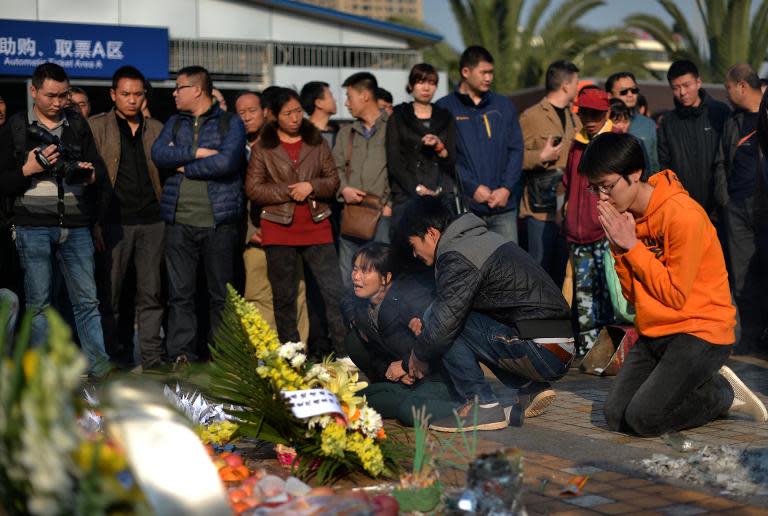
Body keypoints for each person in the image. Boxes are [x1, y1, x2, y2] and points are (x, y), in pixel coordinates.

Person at [580, 132, 766, 436]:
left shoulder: (683, 215)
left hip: (702, 331)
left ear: (635, 173)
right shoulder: (627, 221)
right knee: (615, 416)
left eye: (607, 186)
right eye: (595, 188)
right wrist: (619, 248)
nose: (602, 197)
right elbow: (631, 296)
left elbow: (675, 295)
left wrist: (632, 247)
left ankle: (722, 393)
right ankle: (696, 384)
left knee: (643, 418)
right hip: (657, 330)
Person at [400, 197, 573, 432]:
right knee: (446, 316)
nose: (413, 254)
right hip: (558, 345)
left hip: (544, 348)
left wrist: (417, 355)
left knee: (442, 322)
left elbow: (444, 325)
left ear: (431, 233)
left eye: (413, 245)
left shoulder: (457, 253)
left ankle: (480, 404)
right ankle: (530, 386)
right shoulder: (476, 240)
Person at [0, 63, 112, 377]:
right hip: (31, 227)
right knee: (39, 303)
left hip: (76, 228)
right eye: (51, 95)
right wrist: (28, 170)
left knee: (87, 301)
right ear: (33, 91)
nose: (58, 102)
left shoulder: (77, 124)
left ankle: (99, 368)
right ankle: (41, 373)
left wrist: (90, 176)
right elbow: (3, 181)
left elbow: (100, 173)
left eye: (64, 95)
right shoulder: (16, 127)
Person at [151, 65, 245, 367]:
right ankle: (181, 354)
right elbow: (159, 154)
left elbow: (228, 162)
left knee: (221, 295)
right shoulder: (175, 123)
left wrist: (185, 166)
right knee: (180, 294)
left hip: (218, 221)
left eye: (179, 87)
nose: (174, 93)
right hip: (179, 221)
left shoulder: (229, 122)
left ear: (197, 90)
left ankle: (224, 356)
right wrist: (197, 151)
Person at [246, 88, 347, 357]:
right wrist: (291, 190)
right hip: (278, 229)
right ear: (275, 116)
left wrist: (310, 186)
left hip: (317, 225)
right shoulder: (263, 148)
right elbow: (254, 189)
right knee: (284, 298)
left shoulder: (317, 141)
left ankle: (345, 356)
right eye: (287, 113)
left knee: (333, 293)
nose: (294, 118)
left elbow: (333, 181)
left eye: (297, 112)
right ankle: (293, 359)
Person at [88, 65, 166, 370]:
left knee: (152, 294)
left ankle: (152, 358)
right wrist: (94, 223)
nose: (132, 100)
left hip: (153, 221)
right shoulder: (97, 128)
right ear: (113, 94)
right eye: (125, 94)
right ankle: (114, 356)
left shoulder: (157, 129)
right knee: (111, 295)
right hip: (113, 222)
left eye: (137, 94)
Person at [343, 242, 459, 426]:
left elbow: (441, 344)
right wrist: (393, 371)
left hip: (439, 376)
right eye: (355, 269)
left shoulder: (410, 300)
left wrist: (406, 366)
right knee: (355, 400)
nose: (356, 276)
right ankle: (401, 393)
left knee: (407, 412)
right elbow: (346, 298)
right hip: (407, 376)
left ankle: (469, 407)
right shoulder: (364, 303)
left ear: (386, 278)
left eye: (365, 271)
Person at [237, 90, 310, 343]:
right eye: (240, 112)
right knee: (257, 296)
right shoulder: (233, 147)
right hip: (254, 236)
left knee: (295, 292)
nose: (246, 117)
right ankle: (265, 361)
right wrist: (249, 232)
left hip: (289, 233)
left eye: (252, 111)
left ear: (267, 112)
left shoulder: (288, 145)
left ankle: (299, 359)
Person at [436, 46, 524, 243]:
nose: (489, 78)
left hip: (504, 208)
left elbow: (516, 150)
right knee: (471, 269)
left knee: (508, 269)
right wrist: (472, 187)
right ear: (465, 72)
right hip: (466, 209)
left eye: (491, 72)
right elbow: (445, 157)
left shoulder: (503, 106)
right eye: (483, 72)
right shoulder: (444, 108)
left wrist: (506, 188)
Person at [716, 64, 766, 353]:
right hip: (735, 208)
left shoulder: (765, 115)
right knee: (742, 276)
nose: (727, 94)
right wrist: (724, 198)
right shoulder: (733, 121)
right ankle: (749, 340)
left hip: (764, 206)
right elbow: (721, 161)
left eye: (729, 88)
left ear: (742, 86)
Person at [563, 88, 616, 353]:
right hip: (577, 235)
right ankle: (588, 355)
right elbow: (569, 183)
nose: (590, 118)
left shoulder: (617, 140)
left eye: (595, 112)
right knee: (584, 298)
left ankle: (612, 354)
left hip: (607, 233)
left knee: (610, 296)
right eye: (584, 112)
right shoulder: (576, 144)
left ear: (606, 112)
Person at [519, 60, 580, 283]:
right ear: (565, 85)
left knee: (563, 267)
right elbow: (514, 158)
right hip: (540, 208)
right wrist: (540, 157)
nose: (577, 87)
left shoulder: (575, 117)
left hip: (566, 205)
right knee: (539, 265)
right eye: (575, 82)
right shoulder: (531, 116)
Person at [333, 72, 392, 291]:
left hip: (382, 215)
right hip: (352, 214)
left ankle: (381, 324)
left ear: (365, 95)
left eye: (349, 96)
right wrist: (344, 189)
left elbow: (400, 170)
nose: (347, 103)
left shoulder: (392, 128)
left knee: (381, 276)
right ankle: (352, 324)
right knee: (350, 278)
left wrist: (390, 205)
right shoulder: (345, 133)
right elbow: (334, 169)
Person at [386, 63, 457, 226]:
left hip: (440, 196)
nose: (426, 88)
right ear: (411, 85)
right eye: (421, 82)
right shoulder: (398, 116)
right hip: (407, 196)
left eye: (432, 83)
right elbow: (394, 161)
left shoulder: (445, 117)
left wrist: (439, 147)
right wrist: (417, 188)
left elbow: (452, 159)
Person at [658, 60, 730, 214]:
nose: (682, 92)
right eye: (676, 88)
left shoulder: (720, 113)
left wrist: (724, 198)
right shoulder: (668, 122)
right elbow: (663, 165)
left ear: (698, 82)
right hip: (683, 208)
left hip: (719, 208)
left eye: (686, 85)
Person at [606, 72, 659, 173]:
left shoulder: (648, 124)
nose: (630, 94)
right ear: (609, 95)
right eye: (624, 92)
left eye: (634, 90)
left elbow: (655, 162)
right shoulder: (601, 123)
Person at [300, 81, 339, 148]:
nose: (335, 100)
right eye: (330, 96)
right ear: (318, 103)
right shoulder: (302, 134)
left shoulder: (338, 131)